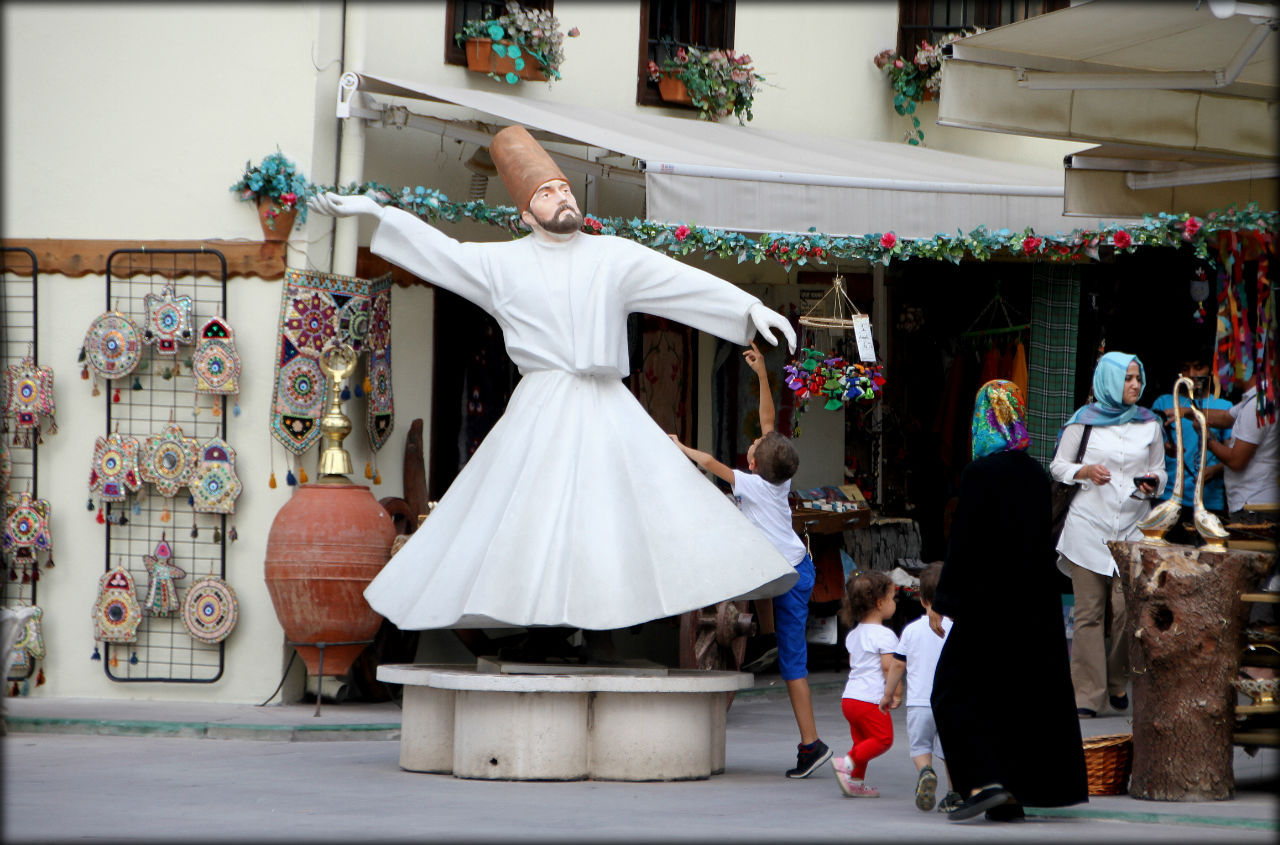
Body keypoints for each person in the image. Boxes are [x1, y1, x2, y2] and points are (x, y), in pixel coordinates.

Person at [308, 125, 799, 633]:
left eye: (564, 187)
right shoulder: (502, 264)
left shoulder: (613, 255)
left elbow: (678, 281)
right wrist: (377, 215)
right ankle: (532, 616)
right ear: (526, 213)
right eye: (547, 192)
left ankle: (609, 612)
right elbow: (445, 254)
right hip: (542, 404)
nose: (562, 196)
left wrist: (748, 308)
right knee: (521, 516)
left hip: (607, 403)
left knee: (644, 507)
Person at [669, 341, 829, 778]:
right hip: (794, 568)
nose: (754, 438)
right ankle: (808, 742)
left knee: (793, 663)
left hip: (791, 577)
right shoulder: (777, 478)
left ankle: (811, 745)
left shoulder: (753, 485)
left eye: (755, 444)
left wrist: (678, 445)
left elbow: (709, 462)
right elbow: (767, 422)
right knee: (786, 653)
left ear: (755, 464)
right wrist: (760, 375)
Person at [932, 380, 1088, 822]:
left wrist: (943, 600)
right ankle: (1012, 794)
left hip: (986, 606)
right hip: (1034, 608)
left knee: (951, 691)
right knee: (1015, 697)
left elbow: (964, 544)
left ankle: (984, 781)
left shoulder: (979, 474)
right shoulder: (1036, 475)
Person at [1051, 352, 1166, 718]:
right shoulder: (1082, 423)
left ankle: (1117, 680)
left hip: (1133, 529)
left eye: (1138, 378)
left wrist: (1153, 485)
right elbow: (1058, 466)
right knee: (1088, 613)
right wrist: (1084, 471)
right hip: (1087, 529)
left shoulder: (1150, 424)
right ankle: (1087, 693)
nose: (1135, 385)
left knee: (1125, 611)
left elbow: (1161, 472)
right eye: (1127, 379)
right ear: (1109, 382)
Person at [877, 562, 952, 812]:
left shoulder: (910, 631)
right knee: (951, 751)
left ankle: (925, 771)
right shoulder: (956, 629)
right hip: (948, 702)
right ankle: (955, 793)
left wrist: (889, 694)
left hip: (919, 703)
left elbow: (897, 666)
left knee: (920, 747)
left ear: (922, 599)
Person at [1174, 373, 1279, 533]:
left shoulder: (1258, 404)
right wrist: (1187, 412)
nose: (1225, 373)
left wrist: (1206, 437)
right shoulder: (1256, 398)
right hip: (1250, 503)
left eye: (1230, 366)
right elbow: (1225, 417)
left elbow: (1236, 461)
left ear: (1245, 366)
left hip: (1254, 505)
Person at [1149, 356, 1232, 543]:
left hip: (1209, 503)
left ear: (1211, 369)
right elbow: (1145, 448)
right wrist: (1163, 447)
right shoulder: (1163, 403)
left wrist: (1215, 470)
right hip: (1167, 499)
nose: (1192, 375)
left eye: (1198, 367)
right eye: (1186, 368)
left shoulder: (1224, 409)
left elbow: (1234, 457)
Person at [831, 569, 899, 798]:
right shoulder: (884, 635)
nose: (894, 603)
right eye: (892, 598)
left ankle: (855, 782)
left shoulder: (854, 634)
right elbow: (889, 668)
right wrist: (894, 693)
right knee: (883, 739)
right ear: (880, 603)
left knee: (862, 741)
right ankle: (846, 763)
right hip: (871, 698)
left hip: (850, 698)